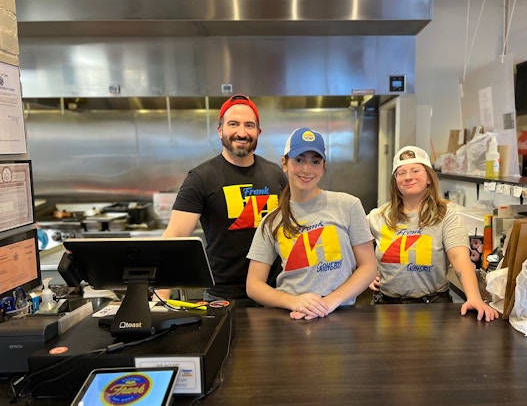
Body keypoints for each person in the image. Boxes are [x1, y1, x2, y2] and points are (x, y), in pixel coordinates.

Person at [161, 94, 287, 304]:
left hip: (274, 295)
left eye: (249, 125)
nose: (242, 132)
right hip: (222, 298)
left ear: (258, 132)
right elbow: (175, 237)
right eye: (233, 124)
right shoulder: (201, 178)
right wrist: (160, 294)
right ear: (220, 130)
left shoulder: (275, 174)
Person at [246, 127, 377, 320]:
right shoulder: (271, 221)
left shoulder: (348, 205)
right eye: (299, 160)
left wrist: (329, 302)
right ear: (284, 163)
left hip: (340, 314)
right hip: (291, 316)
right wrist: (294, 301)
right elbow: (254, 285)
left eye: (315, 162)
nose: (307, 169)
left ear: (323, 167)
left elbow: (368, 267)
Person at [367, 145, 498, 322]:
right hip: (387, 307)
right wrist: (365, 274)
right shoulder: (378, 216)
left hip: (433, 306)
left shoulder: (446, 214)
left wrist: (474, 297)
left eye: (415, 170)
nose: (408, 177)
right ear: (395, 180)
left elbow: (459, 258)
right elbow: (353, 249)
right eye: (401, 173)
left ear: (429, 177)